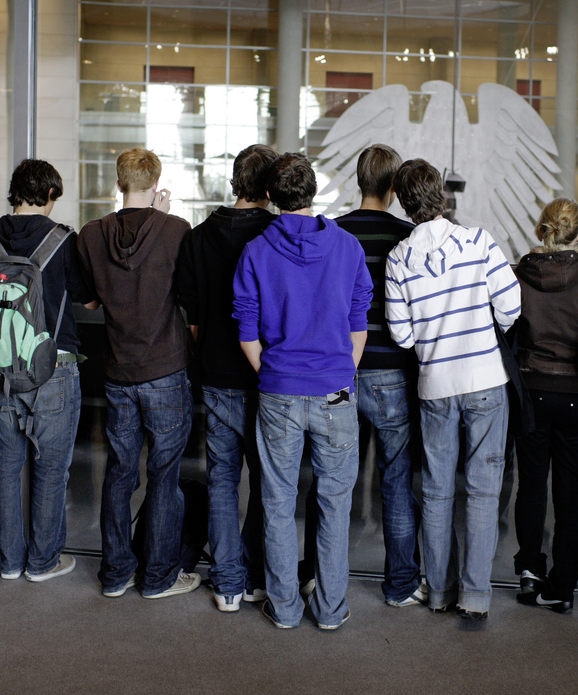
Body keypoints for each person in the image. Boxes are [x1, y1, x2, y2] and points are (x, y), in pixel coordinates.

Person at [233, 152, 372, 630]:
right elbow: (360, 324)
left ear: (269, 197)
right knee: (334, 501)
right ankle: (331, 610)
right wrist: (341, 373)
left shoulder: (255, 250)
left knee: (276, 500)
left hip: (278, 391)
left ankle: (286, 608)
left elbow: (247, 332)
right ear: (313, 195)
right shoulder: (349, 247)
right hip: (336, 389)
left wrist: (271, 372)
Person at [385, 158, 520, 621]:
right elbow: (511, 304)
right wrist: (482, 327)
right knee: (484, 493)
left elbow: (402, 337)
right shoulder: (479, 241)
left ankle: (439, 592)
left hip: (435, 384)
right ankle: (475, 597)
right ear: (440, 193)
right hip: (485, 379)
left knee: (438, 492)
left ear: (403, 203)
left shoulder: (399, 258)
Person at [78, 147, 200, 601]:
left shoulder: (92, 235)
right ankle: (159, 577)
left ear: (117, 183)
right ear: (157, 182)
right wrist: (160, 218)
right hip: (166, 368)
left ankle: (115, 574)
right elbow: (185, 295)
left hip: (117, 371)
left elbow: (90, 302)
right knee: (165, 476)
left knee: (119, 473)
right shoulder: (176, 230)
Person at [0, 159, 96, 582]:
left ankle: (10, 561)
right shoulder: (63, 240)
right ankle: (42, 561)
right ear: (49, 196)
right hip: (54, 365)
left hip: (2, 367)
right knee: (50, 467)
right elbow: (88, 299)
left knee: (7, 465)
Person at [176, 144, 278, 611]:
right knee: (263, 479)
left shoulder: (197, 237)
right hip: (265, 375)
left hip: (215, 373)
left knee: (221, 478)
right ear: (270, 187)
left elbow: (192, 318)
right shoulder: (278, 234)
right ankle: (255, 575)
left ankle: (227, 585)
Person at [512, 198, 578, 614]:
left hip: (531, 391)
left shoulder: (518, 275)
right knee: (570, 492)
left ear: (543, 230)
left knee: (532, 486)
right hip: (577, 395)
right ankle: (563, 585)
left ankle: (529, 572)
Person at [333, 143, 422, 608]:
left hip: (341, 372)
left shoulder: (333, 232)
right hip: (392, 374)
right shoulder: (409, 237)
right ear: (393, 187)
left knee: (332, 482)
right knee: (396, 481)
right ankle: (401, 584)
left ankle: (321, 578)